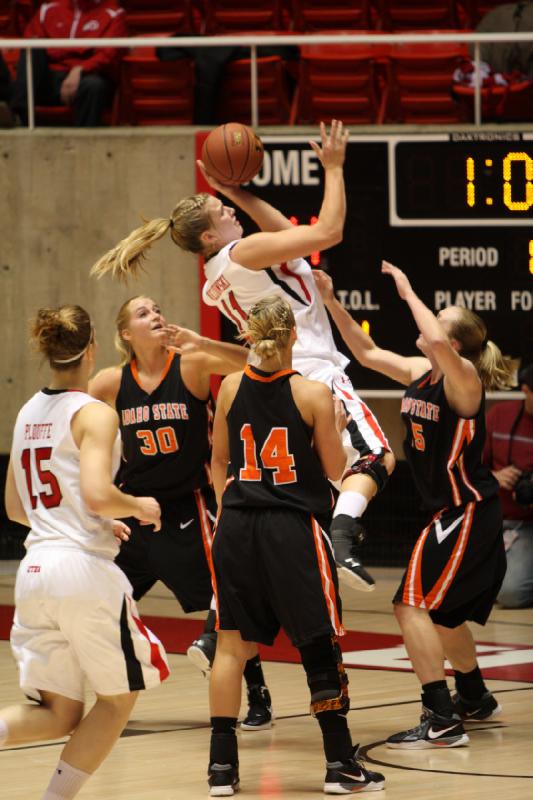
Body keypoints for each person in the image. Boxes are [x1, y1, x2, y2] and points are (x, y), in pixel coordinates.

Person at [90, 120, 396, 595]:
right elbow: (329, 231)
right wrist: (333, 169)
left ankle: (231, 613)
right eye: (221, 208)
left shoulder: (217, 281)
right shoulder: (245, 252)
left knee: (324, 485)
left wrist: (236, 189)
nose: (231, 209)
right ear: (210, 236)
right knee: (375, 457)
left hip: (276, 383)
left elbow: (280, 231)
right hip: (315, 373)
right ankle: (342, 538)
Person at [314, 262, 514, 749]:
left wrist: (406, 289)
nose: (427, 328)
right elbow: (363, 351)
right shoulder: (420, 371)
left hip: (465, 509)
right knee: (441, 616)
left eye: (437, 321)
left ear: (455, 343)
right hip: (448, 513)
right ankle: (474, 697)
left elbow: (441, 344)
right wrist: (329, 298)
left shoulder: (462, 379)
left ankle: (441, 718)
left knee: (410, 607)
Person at [207, 295, 385, 796]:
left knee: (231, 647)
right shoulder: (311, 393)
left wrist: (231, 507)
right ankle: (339, 765)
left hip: (236, 525)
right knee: (317, 645)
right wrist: (337, 426)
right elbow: (333, 472)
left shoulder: (228, 387)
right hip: (292, 527)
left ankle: (221, 768)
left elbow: (218, 462)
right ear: (293, 337)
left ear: (248, 336)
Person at [1, 304, 168, 799]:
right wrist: (138, 506)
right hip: (80, 570)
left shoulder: (27, 411)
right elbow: (96, 492)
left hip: (33, 570)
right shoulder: (95, 412)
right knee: (117, 700)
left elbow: (15, 505)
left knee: (59, 713)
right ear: (92, 348)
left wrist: (90, 517)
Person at [88, 295, 274, 729]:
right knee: (100, 602)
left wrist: (201, 340)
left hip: (187, 507)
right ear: (125, 334)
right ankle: (109, 695)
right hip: (134, 508)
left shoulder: (189, 365)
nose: (155, 315)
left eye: (157, 309)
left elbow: (257, 361)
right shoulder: (108, 383)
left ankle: (257, 691)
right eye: (142, 313)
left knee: (227, 597)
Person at [11, 0, 126, 127]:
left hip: (87, 77)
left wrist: (80, 69)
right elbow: (30, 40)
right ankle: (18, 118)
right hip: (51, 78)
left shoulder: (114, 14)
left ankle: (84, 142)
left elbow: (109, 53)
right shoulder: (47, 10)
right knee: (32, 48)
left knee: (94, 86)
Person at [483, 363, 533, 608]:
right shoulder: (500, 416)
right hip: (495, 520)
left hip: (528, 525)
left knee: (512, 594)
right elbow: (465, 467)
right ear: (526, 390)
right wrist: (494, 476)